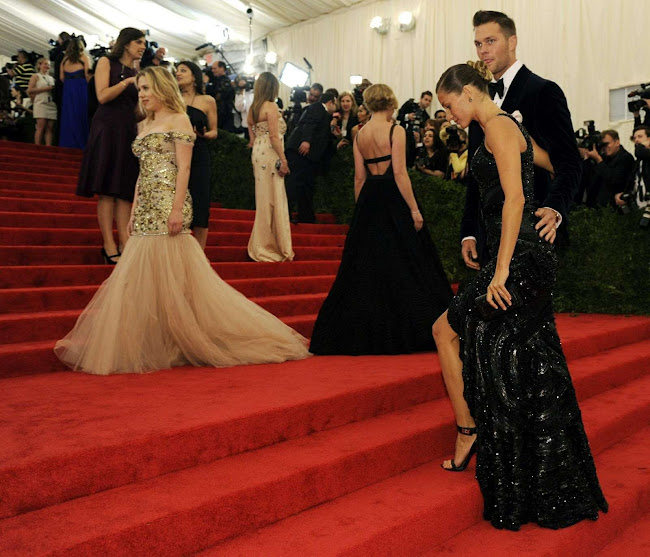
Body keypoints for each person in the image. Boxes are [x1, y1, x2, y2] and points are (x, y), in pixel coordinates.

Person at [433, 61, 608, 530]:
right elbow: (553, 161)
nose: (448, 115)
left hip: (519, 258)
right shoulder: (510, 128)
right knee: (523, 357)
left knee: (452, 334)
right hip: (523, 253)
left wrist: (503, 269)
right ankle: (535, 467)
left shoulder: (499, 129)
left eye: (450, 105)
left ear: (469, 92)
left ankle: (471, 432)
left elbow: (514, 199)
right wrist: (548, 200)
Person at [54, 67, 310, 375]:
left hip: (168, 204)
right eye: (141, 89)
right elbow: (142, 173)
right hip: (146, 205)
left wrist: (177, 210)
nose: (143, 94)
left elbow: (184, 171)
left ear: (162, 88)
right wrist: (134, 210)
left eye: (147, 88)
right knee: (140, 276)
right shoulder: (143, 124)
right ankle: (155, 338)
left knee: (175, 275)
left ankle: (182, 336)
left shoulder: (180, 120)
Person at [310, 84, 453, 355]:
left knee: (366, 267)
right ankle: (413, 329)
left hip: (369, 200)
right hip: (393, 199)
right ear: (389, 102)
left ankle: (361, 333)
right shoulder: (395, 130)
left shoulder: (359, 134)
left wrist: (361, 210)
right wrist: (413, 209)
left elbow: (359, 178)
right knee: (407, 261)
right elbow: (400, 173)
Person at [461, 10, 581, 271]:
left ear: (512, 42)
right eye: (478, 44)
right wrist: (469, 230)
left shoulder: (543, 92)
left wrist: (554, 208)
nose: (483, 50)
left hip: (531, 230)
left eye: (491, 41)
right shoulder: (477, 102)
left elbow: (570, 162)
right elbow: (476, 172)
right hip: (487, 236)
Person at [247, 72, 294, 262]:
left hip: (258, 152)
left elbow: (251, 136)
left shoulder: (253, 108)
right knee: (274, 198)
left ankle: (263, 243)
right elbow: (275, 137)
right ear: (272, 88)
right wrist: (284, 159)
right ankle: (270, 245)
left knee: (264, 198)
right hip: (270, 152)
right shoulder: (271, 106)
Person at [176, 60, 218, 251]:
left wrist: (201, 134)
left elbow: (214, 131)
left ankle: (200, 253)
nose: (178, 74)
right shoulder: (172, 99)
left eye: (183, 71)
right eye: (176, 71)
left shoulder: (208, 100)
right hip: (175, 154)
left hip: (199, 154)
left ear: (194, 76)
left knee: (200, 201)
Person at [284, 91, 337, 223]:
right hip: (301, 152)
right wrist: (306, 141)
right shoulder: (318, 107)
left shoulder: (323, 113)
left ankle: (305, 216)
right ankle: (285, 214)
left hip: (308, 157)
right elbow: (309, 123)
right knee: (294, 183)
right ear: (331, 102)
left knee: (306, 186)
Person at [586, 129, 635, 207]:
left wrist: (599, 160)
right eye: (602, 145)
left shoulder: (625, 158)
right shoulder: (604, 157)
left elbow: (614, 179)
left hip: (615, 207)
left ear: (617, 142)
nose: (605, 148)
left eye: (607, 144)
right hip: (599, 206)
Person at [58, 38, 90, 148]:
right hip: (80, 87)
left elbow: (61, 77)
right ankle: (81, 141)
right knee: (81, 114)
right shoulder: (84, 58)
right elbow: (87, 75)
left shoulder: (64, 60)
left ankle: (67, 142)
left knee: (68, 115)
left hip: (68, 88)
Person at [615, 125, 650, 211]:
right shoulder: (638, 162)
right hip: (640, 207)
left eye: (640, 137)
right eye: (635, 138)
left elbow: (640, 152)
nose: (637, 140)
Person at [27, 58, 57, 146]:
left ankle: (48, 146)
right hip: (41, 102)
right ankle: (37, 146)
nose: (47, 66)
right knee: (41, 126)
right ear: (39, 65)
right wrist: (46, 88)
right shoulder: (35, 76)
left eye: (48, 65)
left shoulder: (51, 78)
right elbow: (30, 90)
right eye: (45, 64)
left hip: (51, 104)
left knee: (49, 128)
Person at [210, 61, 235, 132]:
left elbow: (220, 97)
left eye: (215, 68)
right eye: (212, 69)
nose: (213, 71)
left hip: (223, 113)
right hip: (221, 112)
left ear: (222, 68)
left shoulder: (224, 81)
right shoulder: (220, 80)